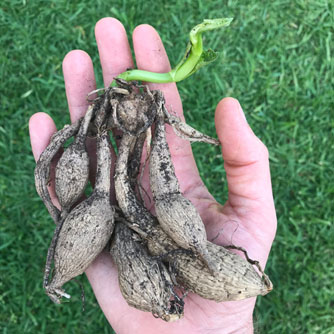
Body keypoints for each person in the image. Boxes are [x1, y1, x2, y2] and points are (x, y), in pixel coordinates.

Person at [29, 18, 277, 334]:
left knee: (156, 216)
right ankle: (61, 260)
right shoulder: (105, 206)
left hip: (147, 218)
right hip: (118, 215)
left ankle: (65, 251)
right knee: (102, 201)